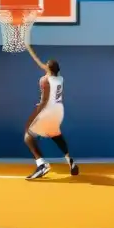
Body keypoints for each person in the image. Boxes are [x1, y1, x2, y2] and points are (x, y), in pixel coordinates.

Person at [23, 46, 78, 180]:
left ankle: (41, 164)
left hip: (48, 110)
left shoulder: (44, 80)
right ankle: (69, 160)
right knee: (56, 135)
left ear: (48, 69)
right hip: (58, 111)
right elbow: (44, 66)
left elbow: (44, 101)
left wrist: (34, 115)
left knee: (28, 137)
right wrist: (30, 50)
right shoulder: (60, 79)